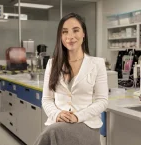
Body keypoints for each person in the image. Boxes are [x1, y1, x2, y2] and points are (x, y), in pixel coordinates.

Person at [34, 13, 108, 145]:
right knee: (53, 131)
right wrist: (57, 114)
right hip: (58, 124)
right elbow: (47, 99)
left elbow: (102, 101)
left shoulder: (97, 64)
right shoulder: (52, 64)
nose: (70, 36)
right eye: (65, 32)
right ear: (60, 36)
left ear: (83, 33)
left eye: (75, 30)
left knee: (50, 133)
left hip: (86, 125)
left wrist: (77, 116)